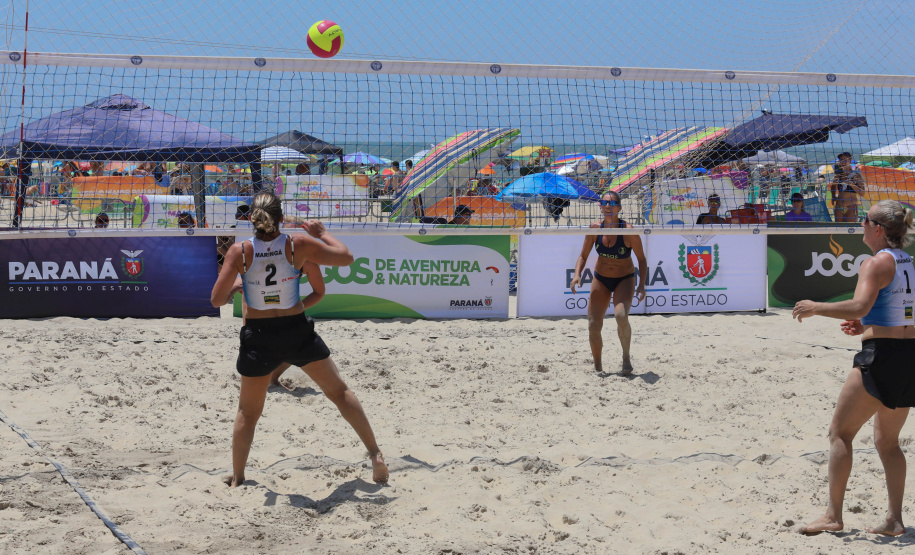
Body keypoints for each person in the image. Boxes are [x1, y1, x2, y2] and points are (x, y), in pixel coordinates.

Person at [210, 191, 388, 487]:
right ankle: (374, 453)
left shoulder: (239, 252)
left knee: (248, 412)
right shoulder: (298, 245)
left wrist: (238, 285)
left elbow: (216, 301)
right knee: (340, 393)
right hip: (296, 330)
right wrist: (322, 233)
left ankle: (239, 477)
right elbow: (346, 258)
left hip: (259, 336)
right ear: (280, 218)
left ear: (251, 219)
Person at [793, 199, 915, 536]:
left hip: (881, 358)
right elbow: (904, 314)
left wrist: (817, 307)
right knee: (888, 442)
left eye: (864, 220)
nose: (860, 224)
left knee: (840, 433)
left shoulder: (875, 263)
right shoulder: (910, 262)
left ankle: (833, 516)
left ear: (877, 228)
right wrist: (868, 325)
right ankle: (893, 519)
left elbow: (860, 304)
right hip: (909, 358)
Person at [570, 192, 648, 375]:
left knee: (621, 316)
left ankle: (626, 357)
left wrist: (642, 285)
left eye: (611, 203)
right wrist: (576, 275)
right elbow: (583, 256)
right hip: (601, 278)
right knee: (593, 324)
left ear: (619, 208)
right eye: (603, 203)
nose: (607, 206)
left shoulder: (628, 231)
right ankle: (598, 366)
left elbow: (642, 260)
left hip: (624, 279)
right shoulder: (595, 229)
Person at [830, 152, 865, 223]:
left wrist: (851, 184)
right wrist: (833, 196)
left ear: (850, 160)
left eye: (845, 160)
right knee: (838, 230)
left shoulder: (856, 175)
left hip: (851, 207)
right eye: (841, 160)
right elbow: (833, 186)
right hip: (839, 206)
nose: (843, 162)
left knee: (850, 229)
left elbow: (862, 193)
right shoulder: (838, 174)